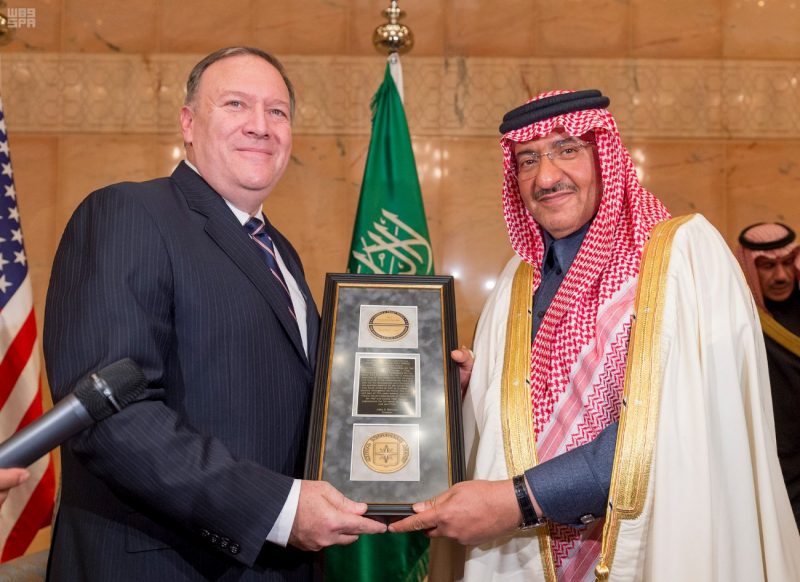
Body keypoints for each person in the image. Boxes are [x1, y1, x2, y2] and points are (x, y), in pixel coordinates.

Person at [391, 90, 800, 581]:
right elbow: (506, 434)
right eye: (527, 160)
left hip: (649, 552)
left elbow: (675, 430)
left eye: (567, 149)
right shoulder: (515, 283)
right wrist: (464, 399)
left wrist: (520, 500)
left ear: (606, 157)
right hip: (523, 557)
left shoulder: (683, 258)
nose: (546, 178)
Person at [42, 46, 385, 581]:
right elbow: (109, 416)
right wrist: (276, 510)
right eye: (235, 104)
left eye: (277, 111)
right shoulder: (129, 213)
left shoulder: (280, 253)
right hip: (164, 566)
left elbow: (298, 403)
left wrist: (420, 390)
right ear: (188, 123)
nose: (260, 126)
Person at [735, 222, 800, 529]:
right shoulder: (740, 322)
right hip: (776, 463)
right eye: (767, 266)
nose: (781, 276)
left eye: (787, 262)